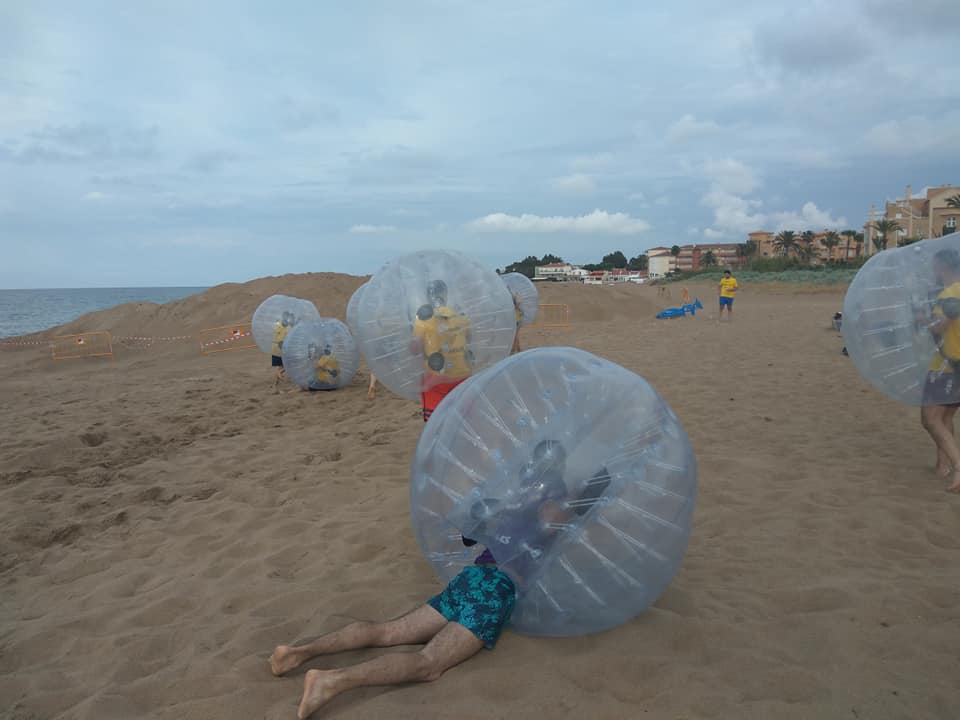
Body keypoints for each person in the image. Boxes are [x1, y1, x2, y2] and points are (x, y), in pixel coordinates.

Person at [269, 441, 572, 718]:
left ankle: (298, 653)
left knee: (387, 632)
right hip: (496, 589)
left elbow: (483, 528)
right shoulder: (554, 492)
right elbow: (550, 523)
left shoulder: (515, 493)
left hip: (473, 577)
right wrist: (572, 507)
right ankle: (331, 680)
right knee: (428, 663)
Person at [920, 248, 960, 493]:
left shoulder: (949, 293)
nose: (933, 271)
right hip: (956, 366)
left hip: (947, 367)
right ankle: (942, 466)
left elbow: (940, 327)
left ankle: (957, 465)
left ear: (944, 266)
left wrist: (924, 321)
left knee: (930, 419)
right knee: (946, 417)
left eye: (935, 266)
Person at [410, 280, 472, 422]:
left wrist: (411, 342)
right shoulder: (460, 315)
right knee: (462, 421)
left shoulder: (424, 318)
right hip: (462, 375)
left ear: (428, 297)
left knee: (435, 424)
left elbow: (416, 348)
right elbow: (469, 339)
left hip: (436, 380)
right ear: (445, 295)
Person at [271, 311, 294, 391]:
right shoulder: (278, 325)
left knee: (285, 366)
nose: (287, 319)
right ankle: (275, 386)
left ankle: (276, 384)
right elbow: (277, 338)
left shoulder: (288, 326)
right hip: (278, 350)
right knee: (281, 367)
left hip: (284, 349)